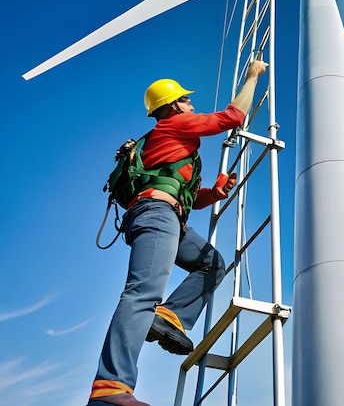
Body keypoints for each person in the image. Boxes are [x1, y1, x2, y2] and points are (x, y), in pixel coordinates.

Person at [86, 60, 267, 406]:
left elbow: (183, 196)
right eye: (185, 99)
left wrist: (212, 194)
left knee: (212, 263)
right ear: (171, 107)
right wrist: (252, 77)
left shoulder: (170, 144)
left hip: (167, 215)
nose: (190, 104)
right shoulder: (173, 125)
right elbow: (231, 117)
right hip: (156, 215)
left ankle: (170, 316)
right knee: (142, 292)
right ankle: (109, 387)